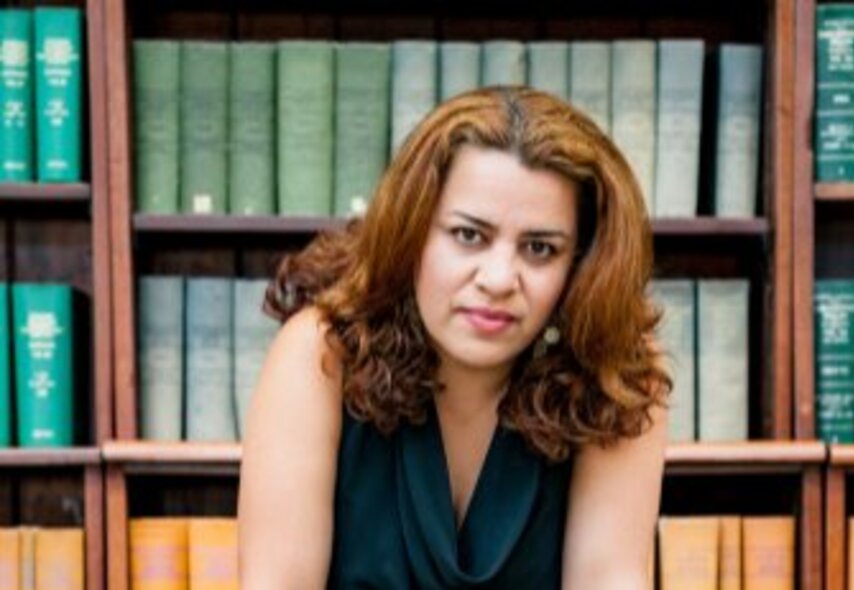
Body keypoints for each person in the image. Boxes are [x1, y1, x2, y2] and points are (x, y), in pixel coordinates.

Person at [238, 85, 671, 589]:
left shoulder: (615, 372)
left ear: (579, 266)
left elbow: (609, 579)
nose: (498, 279)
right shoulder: (319, 354)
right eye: (469, 236)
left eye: (539, 248)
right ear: (413, 232)